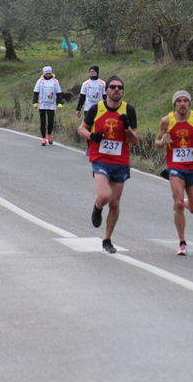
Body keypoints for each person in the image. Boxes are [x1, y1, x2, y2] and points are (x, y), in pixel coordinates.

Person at [77, 76, 139, 253]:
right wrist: (92, 136)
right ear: (107, 91)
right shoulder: (97, 108)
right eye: (113, 87)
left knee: (114, 203)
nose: (116, 90)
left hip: (120, 161)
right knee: (104, 196)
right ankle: (97, 207)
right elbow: (81, 128)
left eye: (120, 87)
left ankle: (107, 239)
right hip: (100, 158)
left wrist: (128, 129)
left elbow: (135, 141)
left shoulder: (129, 110)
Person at [154, 90, 193, 256]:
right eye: (179, 101)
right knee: (179, 203)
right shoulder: (167, 121)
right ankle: (182, 242)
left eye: (185, 101)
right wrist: (162, 142)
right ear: (174, 104)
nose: (182, 104)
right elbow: (157, 142)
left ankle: (181, 203)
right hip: (175, 166)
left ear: (189, 103)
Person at [32, 66, 63, 146]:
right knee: (43, 122)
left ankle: (49, 135)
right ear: (44, 73)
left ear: (51, 73)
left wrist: (59, 104)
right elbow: (35, 92)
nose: (48, 74)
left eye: (49, 73)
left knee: (50, 122)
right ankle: (43, 138)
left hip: (51, 104)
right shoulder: (40, 81)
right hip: (42, 104)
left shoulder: (55, 81)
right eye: (46, 73)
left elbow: (59, 93)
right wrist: (35, 103)